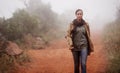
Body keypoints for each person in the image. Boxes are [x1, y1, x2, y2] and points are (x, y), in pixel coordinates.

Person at [65, 9, 94, 73]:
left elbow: (88, 35)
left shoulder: (86, 24)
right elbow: (68, 35)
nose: (79, 15)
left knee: (83, 64)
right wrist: (70, 44)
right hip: (75, 47)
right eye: (78, 14)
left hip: (84, 46)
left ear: (82, 15)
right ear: (76, 15)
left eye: (80, 14)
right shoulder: (72, 24)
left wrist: (89, 45)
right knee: (76, 65)